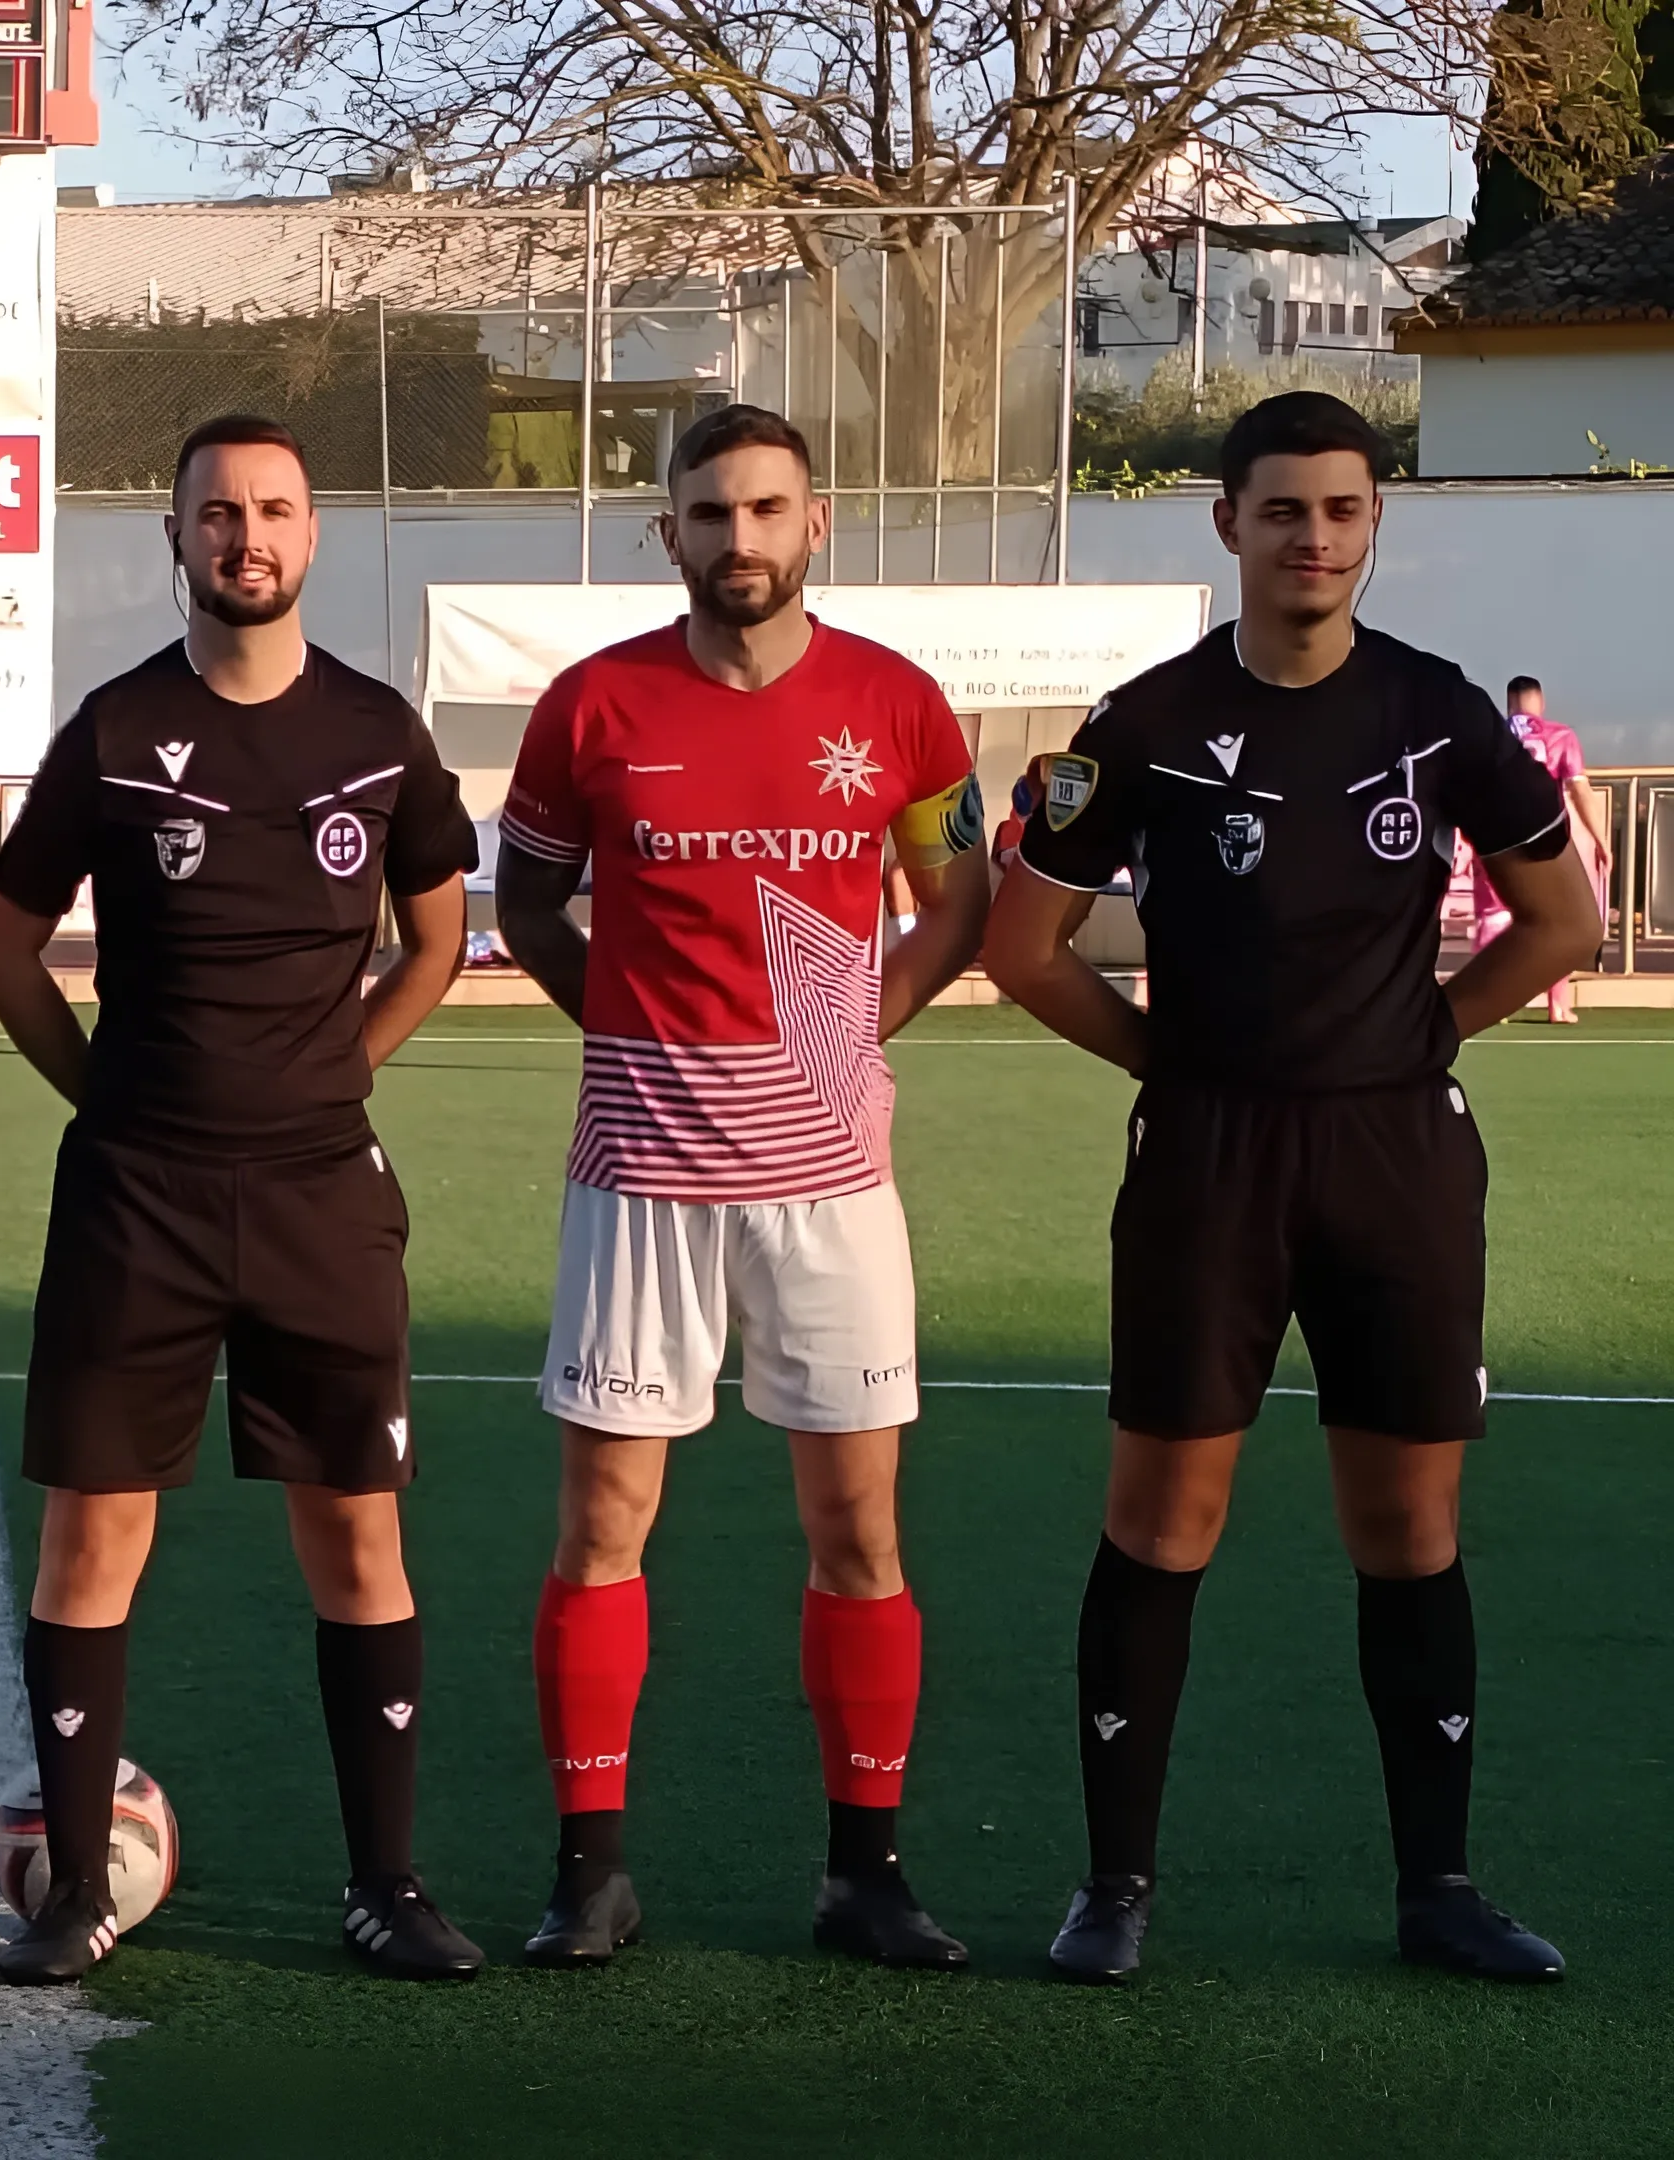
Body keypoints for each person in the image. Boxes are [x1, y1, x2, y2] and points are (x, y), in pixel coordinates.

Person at [983, 391, 1601, 1985]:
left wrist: (1419, 1034)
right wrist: (1163, 1062)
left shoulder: (1438, 713)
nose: (1312, 538)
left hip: (1394, 1154)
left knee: (1407, 1522)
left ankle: (1439, 1888)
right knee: (1163, 1515)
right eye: (1282, 512)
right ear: (1229, 527)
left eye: (1340, 510)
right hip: (1208, 1155)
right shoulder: (1146, 724)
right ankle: (1114, 1886)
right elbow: (1020, 948)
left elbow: (1562, 925)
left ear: (1373, 525)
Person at [0, 412, 484, 1984]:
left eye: (272, 512)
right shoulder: (117, 729)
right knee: (89, 1544)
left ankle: (384, 1885)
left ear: (310, 536)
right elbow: (3, 948)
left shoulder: (382, 734)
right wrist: (111, 1099)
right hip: (141, 1197)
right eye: (216, 515)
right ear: (176, 539)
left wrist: (341, 1073)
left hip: (323, 1197)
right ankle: (71, 1896)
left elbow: (438, 938)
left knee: (357, 1542)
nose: (245, 539)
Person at [493, 402, 991, 1973]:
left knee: (859, 1531)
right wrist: (637, 1042)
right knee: (602, 1523)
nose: (742, 541)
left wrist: (852, 1036)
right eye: (711, 515)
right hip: (638, 1177)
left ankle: (866, 1873)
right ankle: (591, 1875)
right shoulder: (590, 707)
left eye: (767, 510)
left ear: (815, 521)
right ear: (672, 535)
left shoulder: (900, 708)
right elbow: (530, 901)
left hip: (832, 1187)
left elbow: (957, 899)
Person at [1468, 676, 1609, 1024]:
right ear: (1540, 702)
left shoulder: (1487, 734)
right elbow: (1580, 790)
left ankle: (1489, 1003)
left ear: (1508, 703)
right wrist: (1601, 839)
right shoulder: (1560, 736)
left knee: (1493, 916)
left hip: (1491, 836)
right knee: (1555, 917)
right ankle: (1558, 1005)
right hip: (1545, 836)